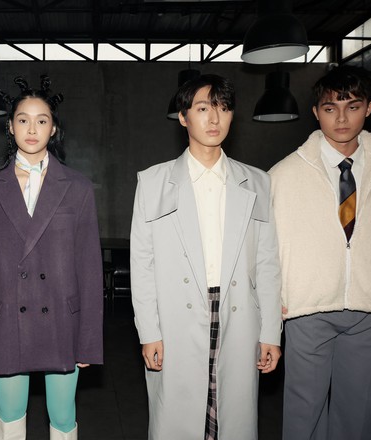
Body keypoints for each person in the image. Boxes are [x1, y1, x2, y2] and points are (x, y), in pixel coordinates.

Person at [130, 74, 282, 440]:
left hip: (239, 315)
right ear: (183, 117)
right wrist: (149, 331)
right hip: (176, 317)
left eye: (223, 108)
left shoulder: (257, 182)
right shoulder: (153, 182)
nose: (214, 119)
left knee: (233, 418)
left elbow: (267, 261)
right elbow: (143, 262)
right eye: (202, 109)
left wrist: (271, 331)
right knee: (178, 419)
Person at [0, 75, 103, 440]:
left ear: (54, 128)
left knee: (63, 415)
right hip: (6, 320)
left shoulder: (78, 188)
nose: (32, 129)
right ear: (10, 126)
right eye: (23, 119)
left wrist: (88, 339)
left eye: (42, 120)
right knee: (9, 414)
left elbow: (89, 270)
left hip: (62, 321)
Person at [270, 65, 371, 440]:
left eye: (352, 106)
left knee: (358, 418)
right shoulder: (283, 174)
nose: (341, 118)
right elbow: (266, 245)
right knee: (302, 417)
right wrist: (274, 299)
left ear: (369, 108)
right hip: (307, 308)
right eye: (329, 108)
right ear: (315, 112)